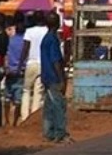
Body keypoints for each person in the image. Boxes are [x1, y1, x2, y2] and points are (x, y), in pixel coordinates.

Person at [40, 12, 70, 143]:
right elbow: (56, 61)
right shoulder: (52, 39)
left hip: (46, 75)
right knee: (59, 105)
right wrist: (61, 79)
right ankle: (60, 133)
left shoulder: (46, 38)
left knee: (49, 105)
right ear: (57, 23)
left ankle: (48, 132)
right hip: (53, 77)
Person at [21, 10, 47, 122]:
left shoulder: (29, 31)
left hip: (31, 63)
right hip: (43, 64)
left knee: (26, 90)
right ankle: (33, 118)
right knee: (38, 91)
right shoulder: (47, 31)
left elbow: (25, 49)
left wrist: (20, 64)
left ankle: (24, 117)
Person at [4, 17, 24, 127]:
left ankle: (6, 120)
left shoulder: (10, 40)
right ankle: (15, 122)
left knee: (7, 97)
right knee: (18, 100)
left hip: (10, 72)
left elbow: (6, 55)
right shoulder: (25, 42)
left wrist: (6, 67)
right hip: (20, 72)